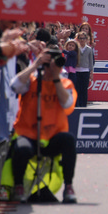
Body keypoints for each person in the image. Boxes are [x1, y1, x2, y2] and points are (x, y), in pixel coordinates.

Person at [10, 45, 78, 203]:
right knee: (21, 149)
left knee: (69, 140)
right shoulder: (31, 79)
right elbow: (14, 86)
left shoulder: (64, 83)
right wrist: (35, 65)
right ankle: (19, 186)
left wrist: (55, 77)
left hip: (53, 137)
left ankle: (69, 187)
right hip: (28, 134)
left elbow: (67, 103)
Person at [73, 31, 93, 107]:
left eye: (83, 38)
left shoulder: (89, 49)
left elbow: (91, 61)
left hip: (85, 71)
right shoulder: (76, 48)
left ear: (86, 39)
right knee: (77, 89)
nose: (82, 40)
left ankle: (83, 105)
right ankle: (77, 104)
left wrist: (91, 72)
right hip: (76, 70)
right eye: (80, 38)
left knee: (84, 89)